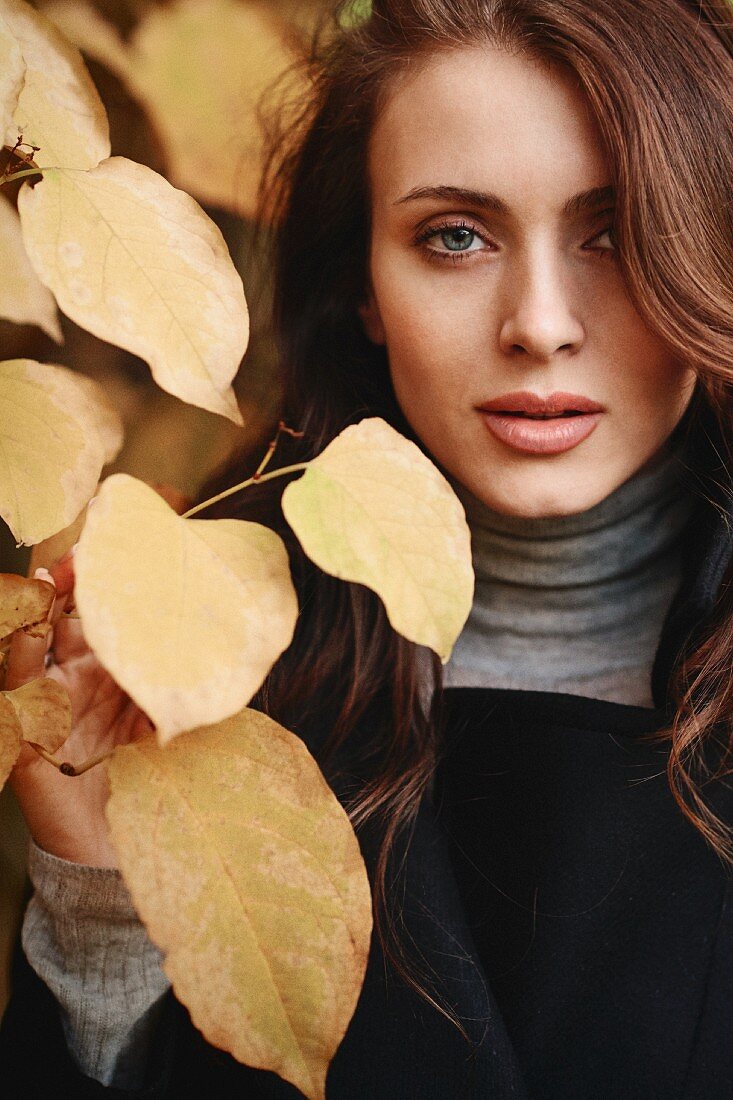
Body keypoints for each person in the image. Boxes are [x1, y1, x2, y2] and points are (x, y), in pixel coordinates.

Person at [1, 0, 732, 1096]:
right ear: (362, 286)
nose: (538, 321)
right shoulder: (196, 678)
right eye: (455, 235)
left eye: (615, 232)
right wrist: (102, 910)